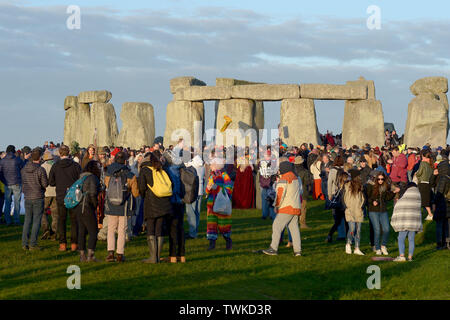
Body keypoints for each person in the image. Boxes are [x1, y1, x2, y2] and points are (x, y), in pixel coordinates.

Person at [104, 151, 139, 262]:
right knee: (122, 230)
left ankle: (110, 253)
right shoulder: (130, 175)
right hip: (125, 205)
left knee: (111, 229)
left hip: (111, 204)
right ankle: (120, 253)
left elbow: (106, 185)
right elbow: (136, 193)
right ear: (125, 161)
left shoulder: (108, 172)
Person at [262, 161, 303, 256]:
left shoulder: (284, 179)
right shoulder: (295, 177)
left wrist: (276, 205)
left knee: (276, 225)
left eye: (280, 168)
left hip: (286, 207)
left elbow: (280, 194)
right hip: (296, 206)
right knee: (294, 229)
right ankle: (298, 251)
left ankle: (273, 248)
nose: (279, 170)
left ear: (284, 168)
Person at [139, 152, 173, 263]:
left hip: (151, 202)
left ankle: (153, 257)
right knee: (159, 228)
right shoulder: (161, 169)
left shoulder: (145, 170)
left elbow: (142, 187)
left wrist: (144, 195)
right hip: (164, 201)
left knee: (151, 228)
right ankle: (157, 256)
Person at [49, 144, 81, 251]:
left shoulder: (55, 166)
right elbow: (80, 180)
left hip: (61, 195)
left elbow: (51, 182)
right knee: (74, 221)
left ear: (59, 154)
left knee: (61, 220)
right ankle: (74, 243)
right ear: (69, 153)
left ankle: (62, 243)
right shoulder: (76, 166)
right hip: (73, 195)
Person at [366, 172, 399, 255]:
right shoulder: (371, 187)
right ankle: (377, 248)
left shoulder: (385, 187)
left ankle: (383, 245)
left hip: (383, 210)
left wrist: (394, 192)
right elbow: (367, 198)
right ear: (376, 179)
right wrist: (372, 201)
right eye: (379, 179)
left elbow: (387, 197)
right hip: (373, 211)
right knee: (377, 230)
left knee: (386, 229)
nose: (380, 181)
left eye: (382, 179)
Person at [21, 148, 48, 250]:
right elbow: (45, 184)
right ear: (40, 157)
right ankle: (33, 243)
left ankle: (24, 243)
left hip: (28, 196)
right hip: (38, 196)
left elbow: (23, 182)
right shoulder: (40, 169)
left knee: (27, 220)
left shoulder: (23, 169)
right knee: (36, 220)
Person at [205, 157, 234, 251]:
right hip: (211, 204)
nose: (210, 166)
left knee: (223, 225)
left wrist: (216, 187)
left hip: (222, 205)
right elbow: (207, 190)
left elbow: (229, 189)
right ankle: (211, 244)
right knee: (211, 225)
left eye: (212, 164)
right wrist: (208, 189)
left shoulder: (224, 175)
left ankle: (228, 241)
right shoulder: (211, 176)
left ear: (217, 165)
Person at [163, 150, 186, 263]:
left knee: (172, 230)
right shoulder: (181, 169)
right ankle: (182, 255)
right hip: (181, 201)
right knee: (180, 228)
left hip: (172, 201)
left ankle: (172, 256)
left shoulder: (168, 170)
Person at [76, 160, 101, 262]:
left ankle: (82, 255)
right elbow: (93, 194)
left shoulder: (81, 177)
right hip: (87, 206)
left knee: (82, 231)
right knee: (93, 231)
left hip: (78, 206)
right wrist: (95, 205)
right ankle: (91, 255)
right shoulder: (93, 178)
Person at [390, 182, 423, 261]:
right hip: (414, 222)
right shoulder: (418, 195)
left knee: (401, 238)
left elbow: (399, 206)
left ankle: (402, 256)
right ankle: (410, 257)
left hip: (405, 221)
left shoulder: (406, 195)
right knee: (411, 239)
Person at [0, 145, 27, 226]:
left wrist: (4, 181)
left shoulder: (2, 161)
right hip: (16, 183)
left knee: (7, 203)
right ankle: (16, 220)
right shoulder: (17, 159)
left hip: (7, 184)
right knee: (16, 202)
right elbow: (23, 169)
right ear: (14, 151)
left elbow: (0, 173)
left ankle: (8, 220)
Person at [343, 169, 365, 255]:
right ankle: (348, 243)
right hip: (350, 210)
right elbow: (344, 198)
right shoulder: (347, 185)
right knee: (352, 229)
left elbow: (363, 198)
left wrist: (362, 206)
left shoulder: (361, 186)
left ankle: (357, 247)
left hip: (358, 210)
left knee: (358, 230)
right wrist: (347, 206)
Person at [430, 155, 450, 250]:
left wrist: (434, 202)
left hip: (442, 205)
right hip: (448, 204)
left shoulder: (443, 179)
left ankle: (440, 244)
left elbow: (439, 193)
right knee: (447, 226)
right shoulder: (448, 177)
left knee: (439, 226)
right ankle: (447, 243)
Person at [185, 153, 205, 239]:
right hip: (200, 190)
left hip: (192, 190)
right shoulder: (202, 165)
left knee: (191, 212)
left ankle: (192, 233)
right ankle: (194, 231)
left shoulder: (192, 165)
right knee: (197, 212)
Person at [326, 170, 349, 243]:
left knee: (337, 223)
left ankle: (330, 235)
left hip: (338, 207)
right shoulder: (345, 186)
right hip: (343, 206)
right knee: (346, 222)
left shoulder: (338, 186)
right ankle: (348, 238)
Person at [40, 150, 58, 240]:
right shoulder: (56, 165)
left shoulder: (42, 166)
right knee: (55, 214)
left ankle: (46, 228)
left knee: (41, 211)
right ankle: (54, 232)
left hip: (46, 192)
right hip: (55, 192)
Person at [293, 155, 313, 229]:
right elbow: (307, 182)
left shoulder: (292, 171)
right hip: (303, 191)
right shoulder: (305, 172)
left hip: (294, 191)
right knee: (303, 208)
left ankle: (294, 223)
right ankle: (302, 223)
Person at [258, 150, 277, 220]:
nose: (267, 157)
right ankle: (265, 214)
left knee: (271, 199)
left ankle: (270, 214)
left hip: (269, 183)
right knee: (265, 200)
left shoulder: (273, 162)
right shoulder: (262, 163)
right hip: (265, 183)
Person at [415, 150, 434, 221]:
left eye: (422, 156)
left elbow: (419, 173)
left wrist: (416, 174)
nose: (421, 158)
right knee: (426, 200)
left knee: (423, 201)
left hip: (422, 183)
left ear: (426, 157)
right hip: (428, 184)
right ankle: (429, 214)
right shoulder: (431, 164)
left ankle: (430, 214)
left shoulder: (423, 163)